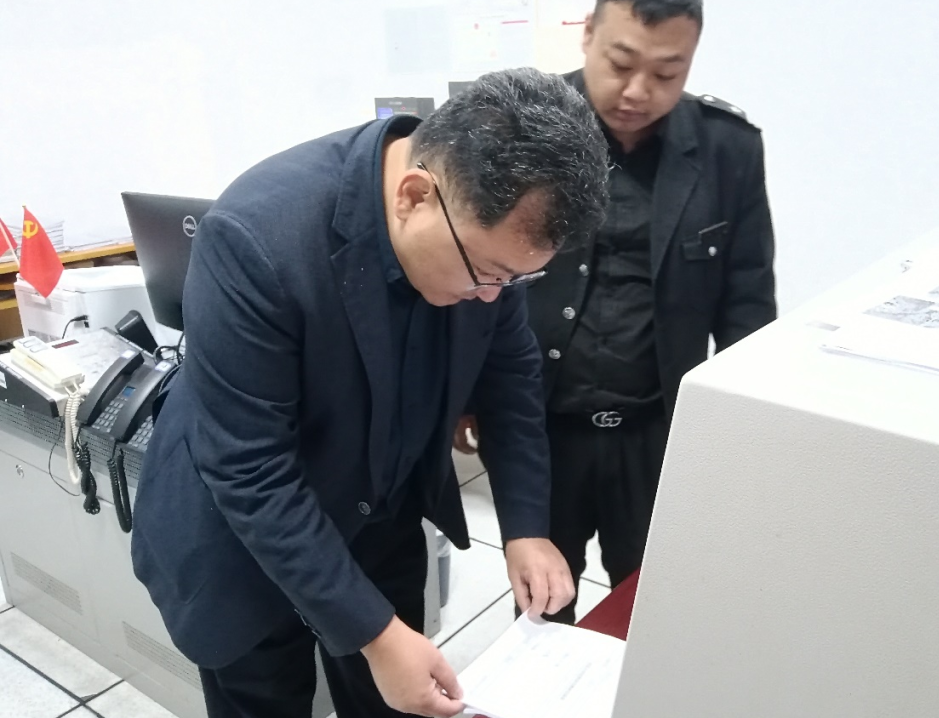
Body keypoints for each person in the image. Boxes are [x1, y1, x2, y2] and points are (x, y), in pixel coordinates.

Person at [130, 68, 610, 718]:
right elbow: (249, 468)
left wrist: (525, 528)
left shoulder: (484, 242)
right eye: (487, 274)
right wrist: (375, 635)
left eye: (515, 281)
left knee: (397, 700)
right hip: (246, 541)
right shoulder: (258, 236)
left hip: (379, 517)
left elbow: (511, 382)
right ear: (415, 196)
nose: (492, 297)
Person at [455, 0, 777, 624]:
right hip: (538, 425)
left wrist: (740, 435)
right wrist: (462, 393)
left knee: (655, 607)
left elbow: (748, 305)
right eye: (621, 63)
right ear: (588, 36)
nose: (637, 92)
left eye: (666, 73)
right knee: (543, 606)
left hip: (657, 429)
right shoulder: (522, 129)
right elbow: (473, 270)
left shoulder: (726, 149)